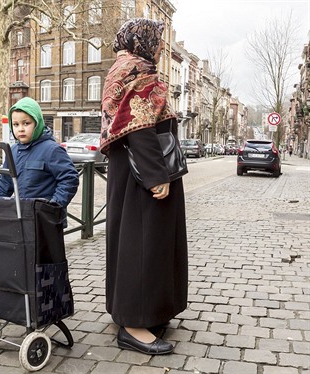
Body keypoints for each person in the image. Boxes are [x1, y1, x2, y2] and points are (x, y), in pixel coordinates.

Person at [100, 18, 188, 355]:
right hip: (143, 170)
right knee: (142, 243)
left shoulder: (123, 67)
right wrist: (156, 176)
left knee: (134, 241)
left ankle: (143, 311)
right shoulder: (137, 68)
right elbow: (138, 123)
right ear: (143, 40)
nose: (162, 46)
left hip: (130, 168)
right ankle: (134, 325)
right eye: (157, 40)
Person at [0, 97, 79, 221]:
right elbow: (5, 184)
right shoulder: (13, 150)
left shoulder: (52, 149)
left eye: (26, 123)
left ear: (37, 123)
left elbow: (69, 178)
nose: (20, 128)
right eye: (15, 124)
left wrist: (53, 206)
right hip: (23, 217)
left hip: (47, 221)